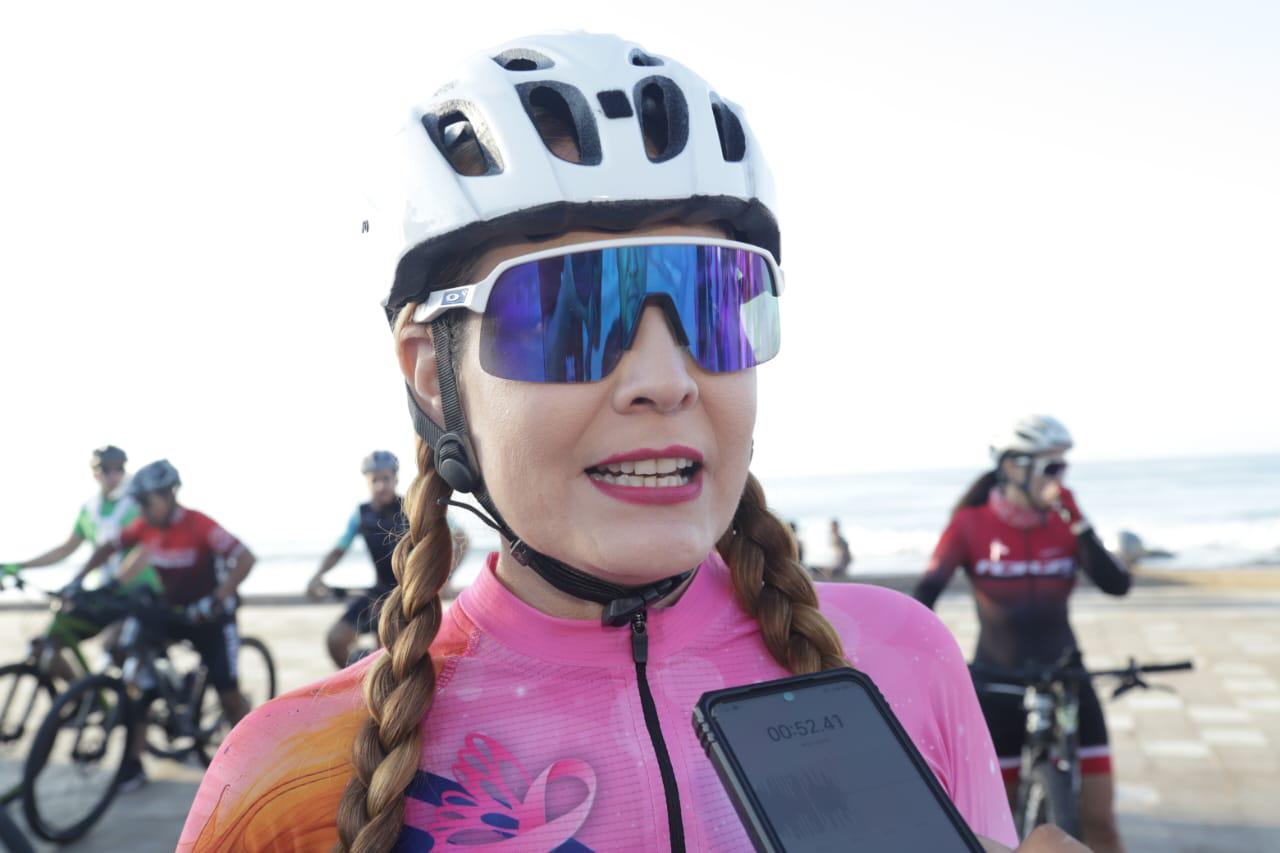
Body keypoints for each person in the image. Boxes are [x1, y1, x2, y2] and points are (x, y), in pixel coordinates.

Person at [180, 33, 1075, 852]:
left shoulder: (900, 657)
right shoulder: (291, 773)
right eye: (571, 311)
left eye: (716, 303)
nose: (667, 378)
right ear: (429, 371)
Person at [913, 415, 1132, 853]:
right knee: (998, 827)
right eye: (1050, 468)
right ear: (1014, 466)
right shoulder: (970, 525)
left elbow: (1116, 585)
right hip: (997, 679)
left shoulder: (1065, 524)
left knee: (1100, 821)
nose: (1059, 479)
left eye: (1062, 468)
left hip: (1067, 674)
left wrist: (1078, 520)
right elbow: (925, 596)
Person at [74, 459, 257, 791]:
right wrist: (79, 578)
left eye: (147, 500)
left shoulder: (199, 524)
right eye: (138, 501)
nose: (142, 508)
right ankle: (134, 762)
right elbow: (108, 547)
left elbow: (245, 558)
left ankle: (255, 760)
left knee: (228, 692)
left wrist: (218, 597)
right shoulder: (146, 527)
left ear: (171, 494)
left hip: (210, 618)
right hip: (173, 612)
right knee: (136, 680)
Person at [1, 446, 160, 681]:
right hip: (103, 593)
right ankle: (82, 698)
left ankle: (139, 707)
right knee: (43, 645)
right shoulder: (90, 510)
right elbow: (66, 548)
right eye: (107, 469)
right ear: (95, 473)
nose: (114, 475)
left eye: (120, 469)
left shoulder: (137, 505)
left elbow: (145, 549)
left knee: (115, 646)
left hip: (136, 592)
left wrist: (118, 581)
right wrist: (22, 565)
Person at [307, 451, 410, 668]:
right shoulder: (361, 514)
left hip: (407, 593)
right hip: (379, 591)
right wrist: (317, 576)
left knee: (386, 648)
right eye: (375, 480)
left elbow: (457, 538)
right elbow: (339, 549)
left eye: (386, 479)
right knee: (335, 640)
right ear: (367, 481)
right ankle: (358, 686)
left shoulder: (411, 508)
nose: (381, 485)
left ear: (396, 479)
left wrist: (445, 576)